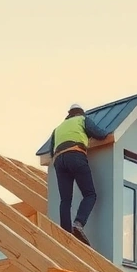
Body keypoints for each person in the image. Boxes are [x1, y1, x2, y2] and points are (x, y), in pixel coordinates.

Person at [42, 103, 108, 245]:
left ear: (69, 114)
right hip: (76, 155)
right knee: (90, 194)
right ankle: (78, 223)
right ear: (80, 113)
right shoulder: (82, 120)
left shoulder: (58, 128)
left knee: (65, 200)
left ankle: (66, 233)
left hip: (59, 161)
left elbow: (51, 151)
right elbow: (100, 135)